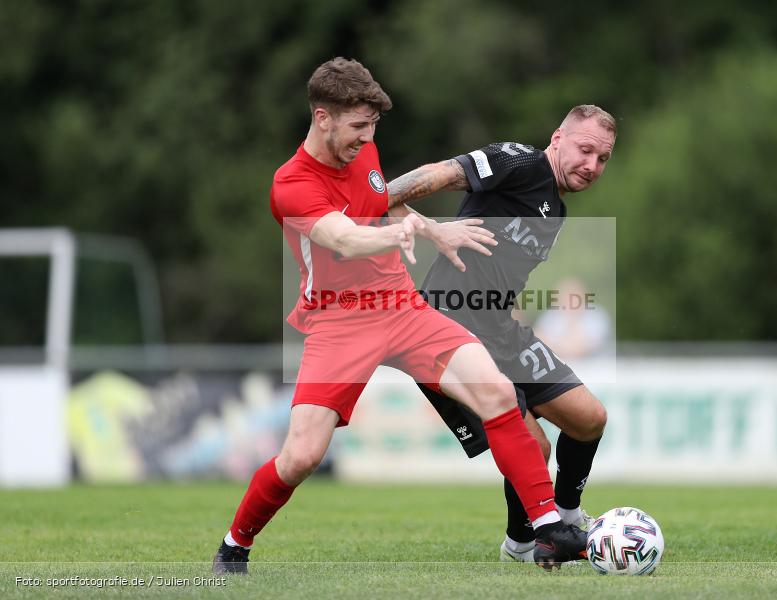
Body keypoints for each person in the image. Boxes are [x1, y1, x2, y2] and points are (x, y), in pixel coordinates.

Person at [212, 58, 587, 574]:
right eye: (357, 126)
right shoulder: (291, 184)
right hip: (339, 322)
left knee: (497, 392)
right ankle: (236, 543)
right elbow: (342, 236)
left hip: (402, 306)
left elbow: (383, 204)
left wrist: (434, 230)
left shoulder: (364, 151)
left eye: (372, 127)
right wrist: (394, 236)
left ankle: (546, 527)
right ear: (323, 117)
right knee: (301, 457)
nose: (366, 138)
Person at [386, 104, 615, 562]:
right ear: (557, 138)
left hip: (501, 330)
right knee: (533, 443)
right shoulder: (519, 162)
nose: (592, 165)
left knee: (589, 418)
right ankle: (526, 544)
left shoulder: (556, 209)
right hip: (447, 333)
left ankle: (566, 517)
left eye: (603, 158)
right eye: (585, 150)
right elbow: (404, 187)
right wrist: (434, 231)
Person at [533, 277, 613, 360]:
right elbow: (537, 341)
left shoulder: (597, 316)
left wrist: (555, 347)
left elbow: (580, 349)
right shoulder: (550, 316)